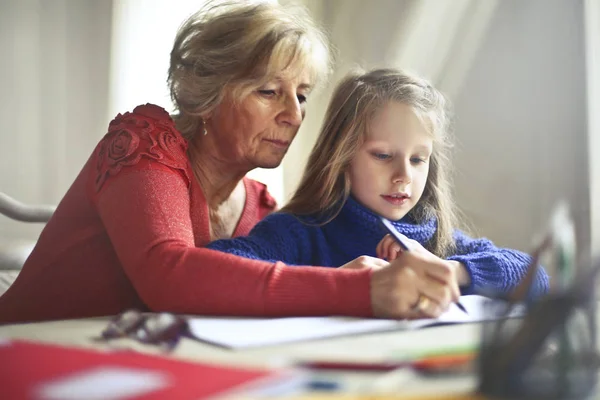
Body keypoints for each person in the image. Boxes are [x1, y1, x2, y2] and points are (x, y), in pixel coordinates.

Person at [0, 2, 460, 324]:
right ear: (208, 92)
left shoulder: (261, 208)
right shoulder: (145, 145)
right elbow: (169, 274)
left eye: (302, 96)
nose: (294, 115)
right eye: (268, 91)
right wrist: (357, 290)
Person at [207, 68, 550, 303]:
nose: (403, 175)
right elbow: (212, 271)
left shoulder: (433, 239)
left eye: (418, 160)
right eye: (383, 155)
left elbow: (536, 278)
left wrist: (449, 271)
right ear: (341, 157)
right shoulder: (301, 232)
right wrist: (333, 285)